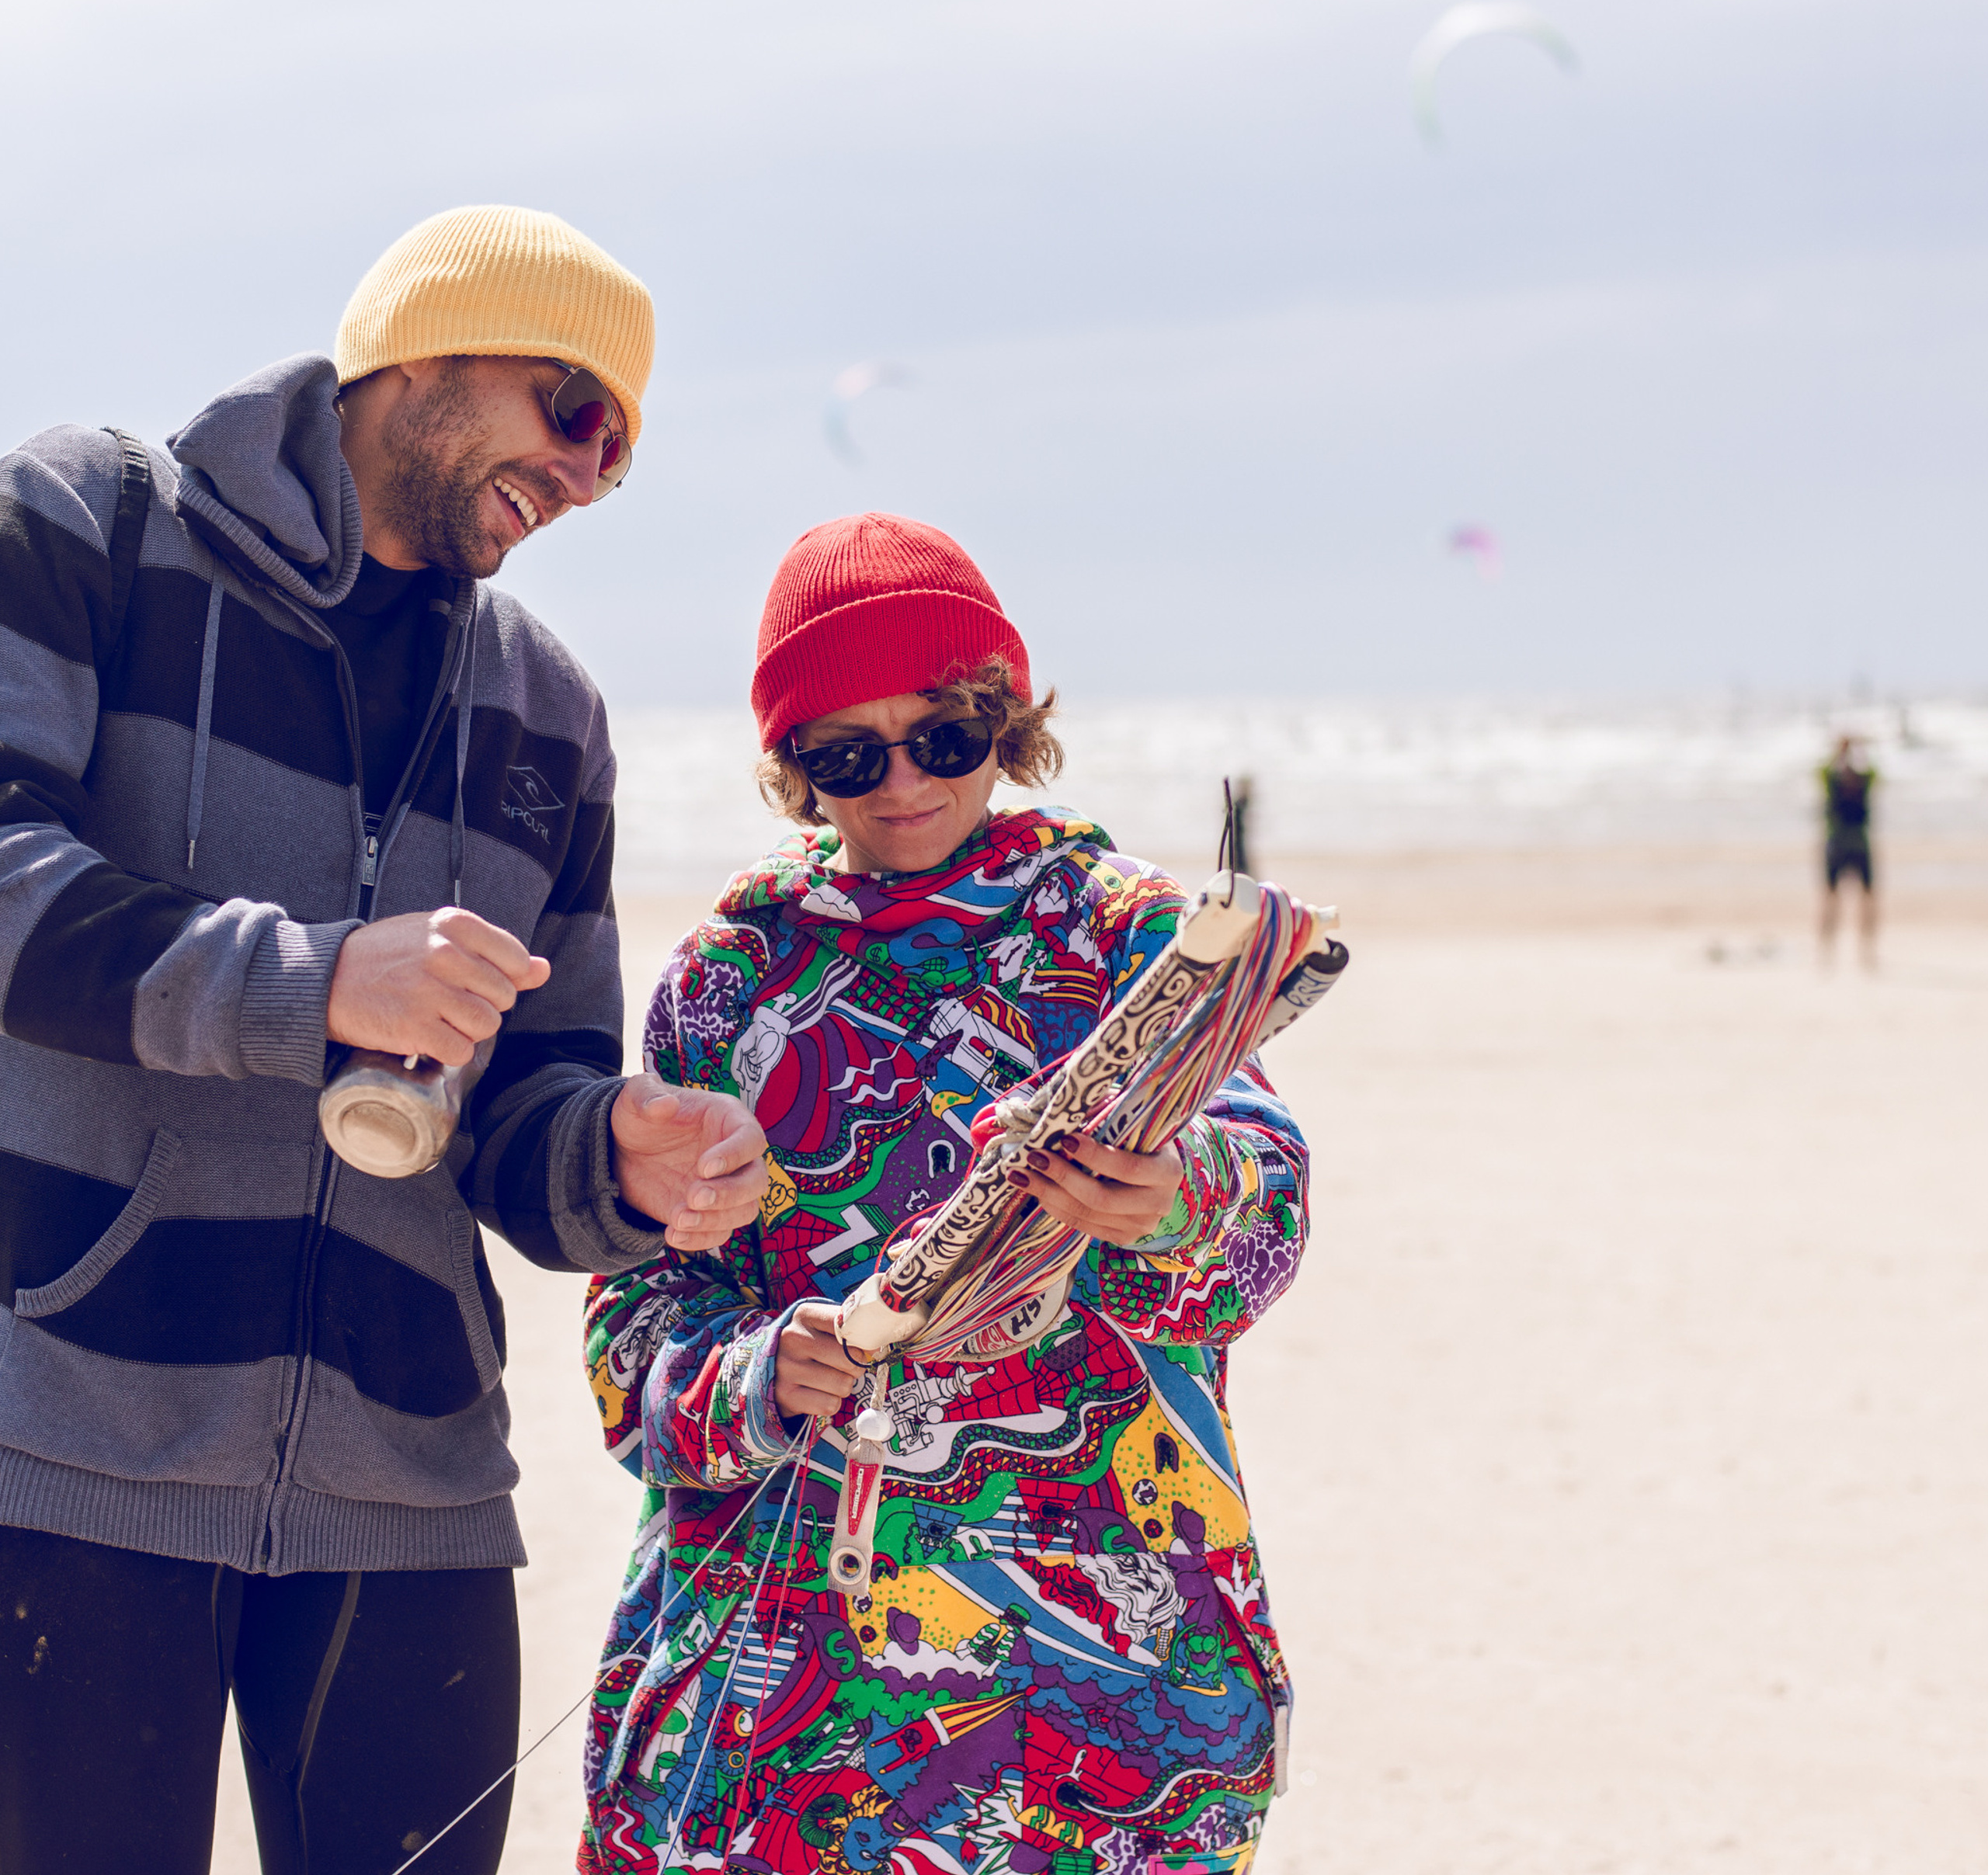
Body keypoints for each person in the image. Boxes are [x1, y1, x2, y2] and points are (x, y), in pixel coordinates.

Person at [0, 206, 768, 1874]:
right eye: (573, 413)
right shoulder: (90, 525)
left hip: (409, 1487)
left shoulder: (549, 709)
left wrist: (613, 1156)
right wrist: (310, 980)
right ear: (423, 348)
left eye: (615, 460)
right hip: (66, 1435)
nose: (582, 478)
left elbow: (533, 1108)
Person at [580, 513, 1310, 1875]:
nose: (902, 782)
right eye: (845, 754)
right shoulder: (726, 985)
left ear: (1004, 721)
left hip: (1100, 1657)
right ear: (792, 768)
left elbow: (1269, 1217)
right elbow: (635, 1315)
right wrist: (754, 1367)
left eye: (945, 736)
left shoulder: (1131, 937)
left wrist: (1170, 1197)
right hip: (791, 1679)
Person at [1819, 733, 1878, 968]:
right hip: (1838, 842)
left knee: (1867, 898)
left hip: (1859, 842)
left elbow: (1874, 773)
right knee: (1831, 898)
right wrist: (1839, 752)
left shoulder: (1864, 779)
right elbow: (1823, 772)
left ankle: (1867, 950)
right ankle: (1827, 949)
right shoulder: (1833, 779)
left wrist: (1861, 751)